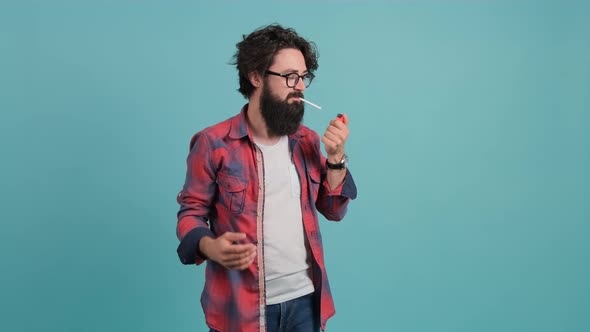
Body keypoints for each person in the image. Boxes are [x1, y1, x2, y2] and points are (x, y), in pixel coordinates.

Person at [176, 24, 357, 332]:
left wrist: (336, 157)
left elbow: (334, 210)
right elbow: (190, 214)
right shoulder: (213, 143)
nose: (299, 86)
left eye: (303, 77)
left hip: (306, 302)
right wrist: (210, 246)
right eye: (289, 77)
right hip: (241, 309)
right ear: (256, 77)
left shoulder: (307, 141)